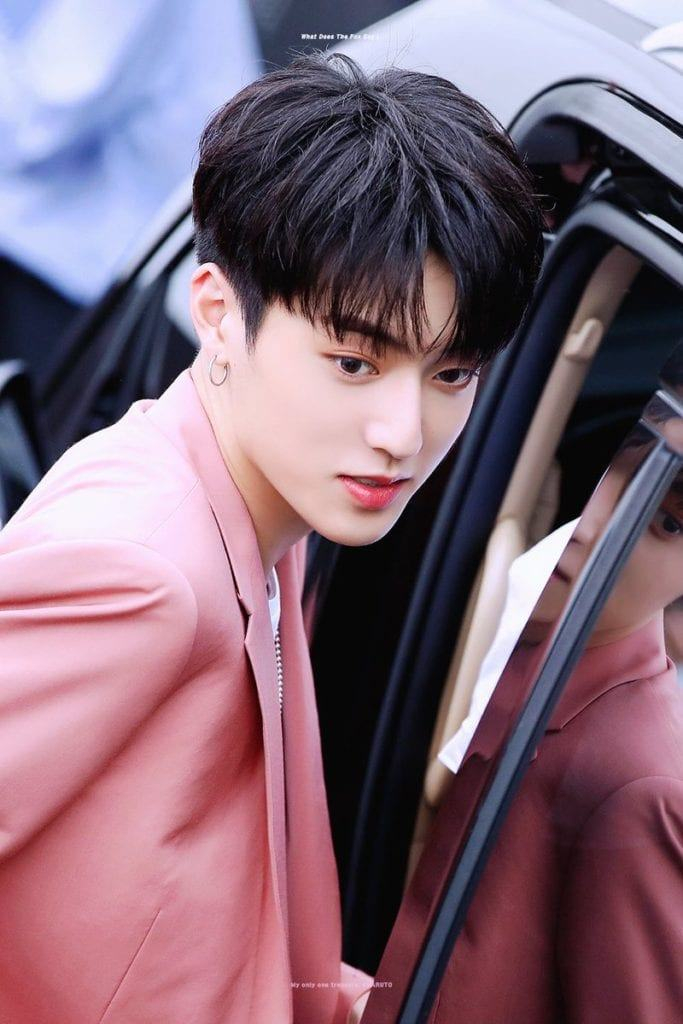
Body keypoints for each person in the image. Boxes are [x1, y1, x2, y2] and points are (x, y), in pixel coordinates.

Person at [0, 52, 544, 1023]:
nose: (402, 432)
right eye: (353, 362)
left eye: (450, 374)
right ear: (218, 313)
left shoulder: (262, 517)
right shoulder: (142, 569)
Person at [365, 425, 683, 1023]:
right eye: (613, 470)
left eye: (667, 521)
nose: (591, 526)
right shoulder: (540, 642)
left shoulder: (640, 785)